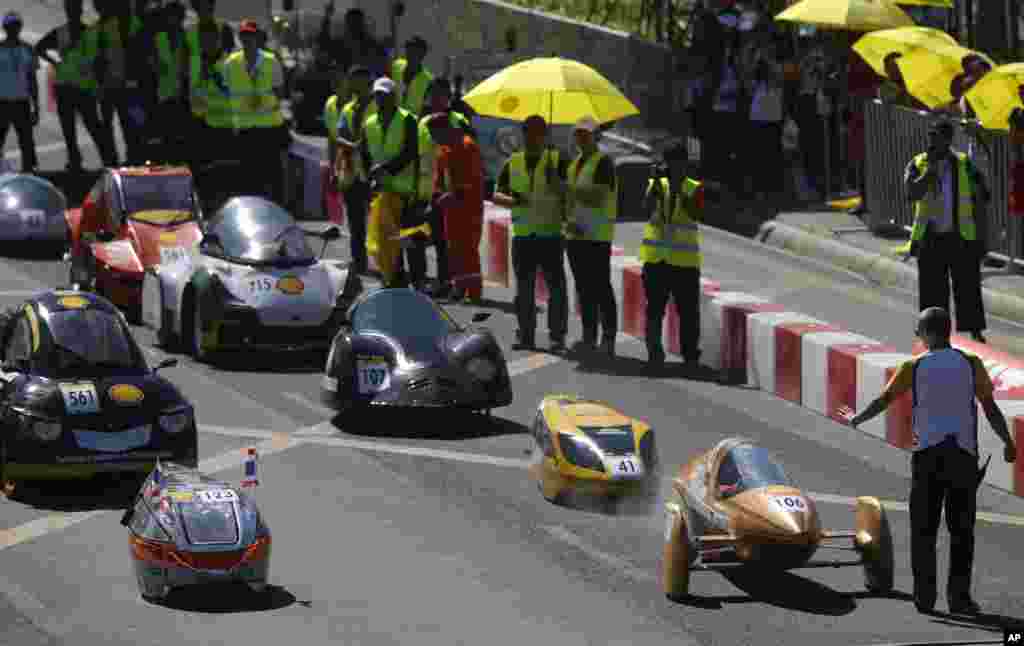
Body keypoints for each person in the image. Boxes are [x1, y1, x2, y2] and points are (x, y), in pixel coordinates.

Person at [845, 307, 1016, 615]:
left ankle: (925, 598)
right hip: (963, 457)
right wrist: (1007, 441)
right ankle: (960, 599)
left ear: (925, 334)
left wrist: (858, 419)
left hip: (928, 458)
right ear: (948, 331)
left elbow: (884, 400)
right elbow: (989, 407)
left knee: (923, 530)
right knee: (962, 532)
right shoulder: (972, 363)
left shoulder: (913, 366)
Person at [903, 120, 990, 343]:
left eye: (937, 137)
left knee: (968, 286)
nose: (932, 141)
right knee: (932, 290)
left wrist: (982, 237)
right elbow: (911, 193)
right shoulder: (919, 162)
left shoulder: (963, 164)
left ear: (948, 140)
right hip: (930, 236)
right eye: (930, 136)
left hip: (960, 235)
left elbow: (982, 193)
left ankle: (974, 331)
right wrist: (929, 173)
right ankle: (931, 332)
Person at [491, 114, 569, 353]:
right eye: (529, 132)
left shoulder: (558, 160)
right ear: (523, 134)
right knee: (524, 289)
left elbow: (569, 194)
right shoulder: (512, 162)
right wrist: (514, 201)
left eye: (538, 132)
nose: (533, 137)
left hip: (551, 235)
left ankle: (557, 338)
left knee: (556, 290)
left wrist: (555, 180)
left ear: (545, 135)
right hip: (523, 236)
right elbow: (496, 194)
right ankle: (526, 335)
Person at [640, 143, 705, 370]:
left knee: (687, 313)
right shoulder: (657, 185)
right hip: (657, 260)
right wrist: (655, 185)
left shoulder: (693, 187)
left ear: (685, 164)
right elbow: (645, 209)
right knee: (654, 310)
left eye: (678, 163)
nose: (673, 168)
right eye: (669, 163)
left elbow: (696, 213)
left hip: (684, 263)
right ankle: (654, 353)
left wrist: (680, 192)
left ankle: (690, 357)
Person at [35, 0, 117, 172]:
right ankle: (80, 161)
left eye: (74, 8)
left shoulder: (80, 32)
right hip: (69, 86)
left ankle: (100, 160)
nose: (73, 12)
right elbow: (39, 48)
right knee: (74, 127)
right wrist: (56, 63)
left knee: (89, 125)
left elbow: (101, 59)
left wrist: (56, 63)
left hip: (79, 87)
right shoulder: (84, 32)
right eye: (71, 8)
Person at [565, 116, 618, 357]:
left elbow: (598, 196)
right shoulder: (575, 163)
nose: (581, 138)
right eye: (578, 134)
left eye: (586, 134)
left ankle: (608, 337)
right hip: (575, 235)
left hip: (596, 236)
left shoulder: (603, 162)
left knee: (600, 287)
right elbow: (569, 201)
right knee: (583, 288)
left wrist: (570, 191)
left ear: (595, 136)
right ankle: (589, 335)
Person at [359, 77, 419, 288]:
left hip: (404, 190)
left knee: (407, 239)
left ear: (394, 97)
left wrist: (386, 170)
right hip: (381, 191)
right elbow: (364, 153)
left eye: (385, 95)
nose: (380, 99)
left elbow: (411, 151)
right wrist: (370, 178)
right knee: (385, 239)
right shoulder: (369, 123)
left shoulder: (408, 120)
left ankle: (416, 282)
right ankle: (392, 279)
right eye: (377, 95)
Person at [223, 20, 289, 204]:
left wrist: (264, 102)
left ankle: (277, 213)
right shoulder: (231, 63)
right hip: (245, 128)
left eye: (251, 35)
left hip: (269, 128)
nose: (247, 39)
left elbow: (280, 92)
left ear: (257, 37)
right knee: (247, 177)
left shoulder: (271, 61)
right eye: (244, 36)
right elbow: (228, 92)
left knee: (273, 177)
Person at [426, 112, 484, 303]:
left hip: (469, 206)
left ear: (445, 129)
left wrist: (453, 194)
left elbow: (474, 180)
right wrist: (435, 197)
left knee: (469, 249)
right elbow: (439, 179)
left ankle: (474, 293)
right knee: (454, 249)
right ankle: (459, 288)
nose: (434, 139)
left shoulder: (468, 146)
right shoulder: (443, 149)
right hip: (450, 208)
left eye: (435, 134)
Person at [95, 0, 148, 165]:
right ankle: (117, 159)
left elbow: (138, 52)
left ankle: (127, 157)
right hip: (112, 85)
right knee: (116, 125)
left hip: (122, 85)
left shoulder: (127, 24)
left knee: (125, 124)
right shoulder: (103, 27)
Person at [335, 65, 376, 275]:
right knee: (355, 221)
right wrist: (351, 146)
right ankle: (359, 262)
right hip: (351, 171)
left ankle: (385, 262)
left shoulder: (378, 106)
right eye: (352, 81)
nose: (355, 86)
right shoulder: (347, 109)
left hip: (373, 170)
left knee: (378, 218)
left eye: (359, 81)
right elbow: (339, 135)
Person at [149, 2, 190, 162]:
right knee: (168, 135)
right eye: (171, 17)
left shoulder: (187, 37)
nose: (174, 21)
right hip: (165, 93)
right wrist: (155, 66)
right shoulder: (159, 38)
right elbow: (152, 62)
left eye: (177, 17)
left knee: (183, 135)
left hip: (184, 93)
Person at [0, 12, 39, 174]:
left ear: (19, 27)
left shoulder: (28, 49)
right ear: (4, 28)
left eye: (15, 26)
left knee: (27, 141)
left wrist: (36, 106)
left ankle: (29, 170)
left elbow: (32, 79)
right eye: (9, 26)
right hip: (1, 102)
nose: (12, 29)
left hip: (22, 102)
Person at [318, 4, 392, 80]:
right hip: (348, 85)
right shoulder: (341, 43)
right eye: (351, 22)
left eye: (356, 22)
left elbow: (324, 43)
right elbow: (324, 43)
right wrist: (327, 17)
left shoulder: (373, 45)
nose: (354, 26)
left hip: (366, 85)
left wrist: (327, 16)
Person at [390, 36, 432, 117]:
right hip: (392, 120)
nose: (410, 53)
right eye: (408, 49)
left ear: (423, 54)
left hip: (412, 124)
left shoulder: (428, 80)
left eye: (415, 51)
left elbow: (426, 108)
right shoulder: (396, 66)